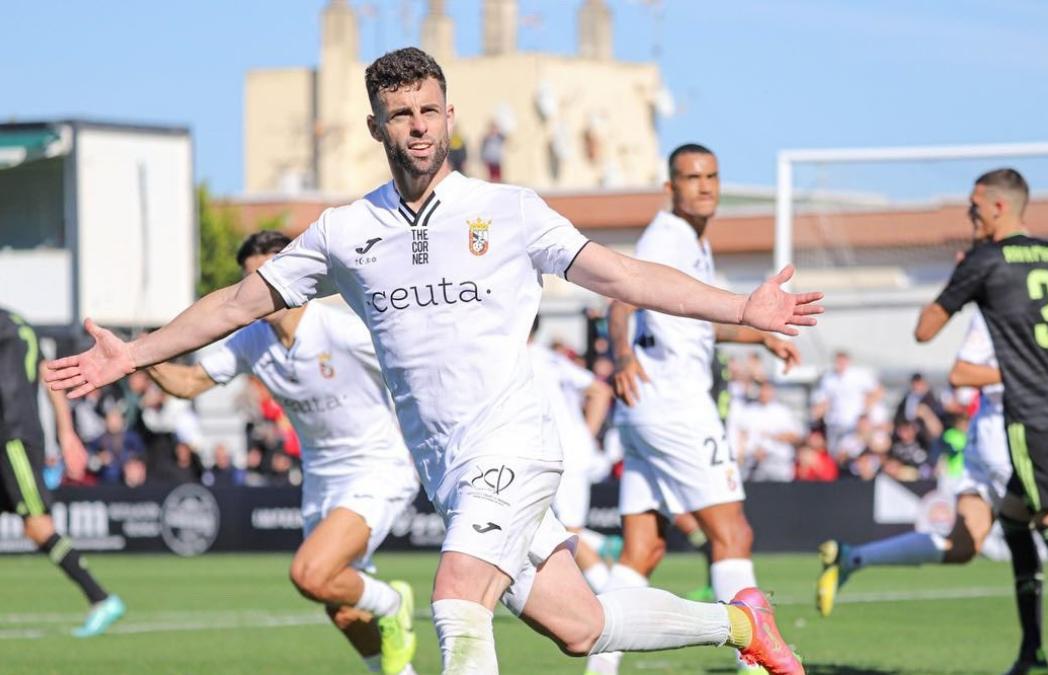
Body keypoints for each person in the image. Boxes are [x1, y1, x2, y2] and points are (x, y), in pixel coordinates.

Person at [46, 48, 823, 675]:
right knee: (582, 625)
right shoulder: (345, 230)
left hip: (514, 445)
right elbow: (236, 305)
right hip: (447, 468)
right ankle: (738, 622)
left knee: (456, 601)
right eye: (400, 115)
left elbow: (625, 276)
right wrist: (134, 352)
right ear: (376, 126)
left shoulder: (508, 211)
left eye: (428, 110)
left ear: (450, 115)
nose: (417, 126)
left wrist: (742, 308)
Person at [144, 230, 421, 675]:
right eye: (247, 284)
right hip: (320, 481)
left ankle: (393, 601)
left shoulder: (342, 330)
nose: (254, 294)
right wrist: (136, 355)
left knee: (311, 574)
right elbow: (190, 383)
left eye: (264, 280)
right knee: (341, 606)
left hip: (377, 469)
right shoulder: (251, 340)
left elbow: (415, 367)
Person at [816, 313, 1048, 666]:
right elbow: (961, 374)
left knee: (963, 544)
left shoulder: (1021, 294)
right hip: (1004, 434)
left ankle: (852, 558)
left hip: (996, 432)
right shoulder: (996, 304)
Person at [909, 168, 1048, 675]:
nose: (969, 216)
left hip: (1031, 418)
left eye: (973, 207)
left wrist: (962, 282)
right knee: (1014, 519)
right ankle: (1031, 652)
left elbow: (924, 331)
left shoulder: (986, 261)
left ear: (996, 207)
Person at [596, 143, 805, 675]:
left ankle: (600, 671)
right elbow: (621, 298)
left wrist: (758, 337)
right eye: (692, 177)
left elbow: (694, 319)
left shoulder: (688, 240)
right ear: (671, 188)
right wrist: (620, 355)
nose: (705, 186)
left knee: (641, 550)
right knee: (732, 535)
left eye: (711, 176)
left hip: (647, 411)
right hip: (675, 406)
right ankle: (754, 665)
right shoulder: (667, 236)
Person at [0, 307, 125, 636]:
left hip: (11, 438)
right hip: (21, 435)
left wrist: (67, 435)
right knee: (34, 526)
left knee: (38, 526)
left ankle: (101, 598)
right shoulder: (19, 323)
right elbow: (50, 377)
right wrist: (66, 433)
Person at [528, 315, 615, 593]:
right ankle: (603, 547)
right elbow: (599, 390)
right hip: (564, 451)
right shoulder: (546, 357)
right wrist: (585, 436)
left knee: (569, 531)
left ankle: (614, 593)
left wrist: (583, 438)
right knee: (547, 526)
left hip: (563, 454)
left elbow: (600, 390)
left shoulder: (526, 359)